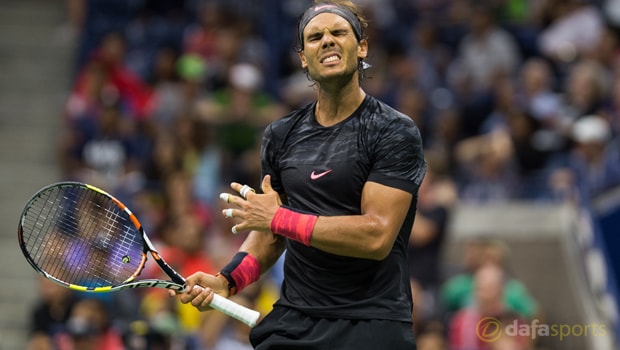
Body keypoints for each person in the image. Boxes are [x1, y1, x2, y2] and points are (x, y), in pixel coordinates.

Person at [172, 1, 427, 349]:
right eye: (315, 37)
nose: (327, 41)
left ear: (362, 46)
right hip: (295, 320)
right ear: (303, 58)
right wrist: (227, 281)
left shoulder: (393, 131)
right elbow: (268, 235)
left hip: (371, 322)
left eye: (339, 32)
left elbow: (376, 236)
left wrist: (280, 218)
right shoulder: (280, 135)